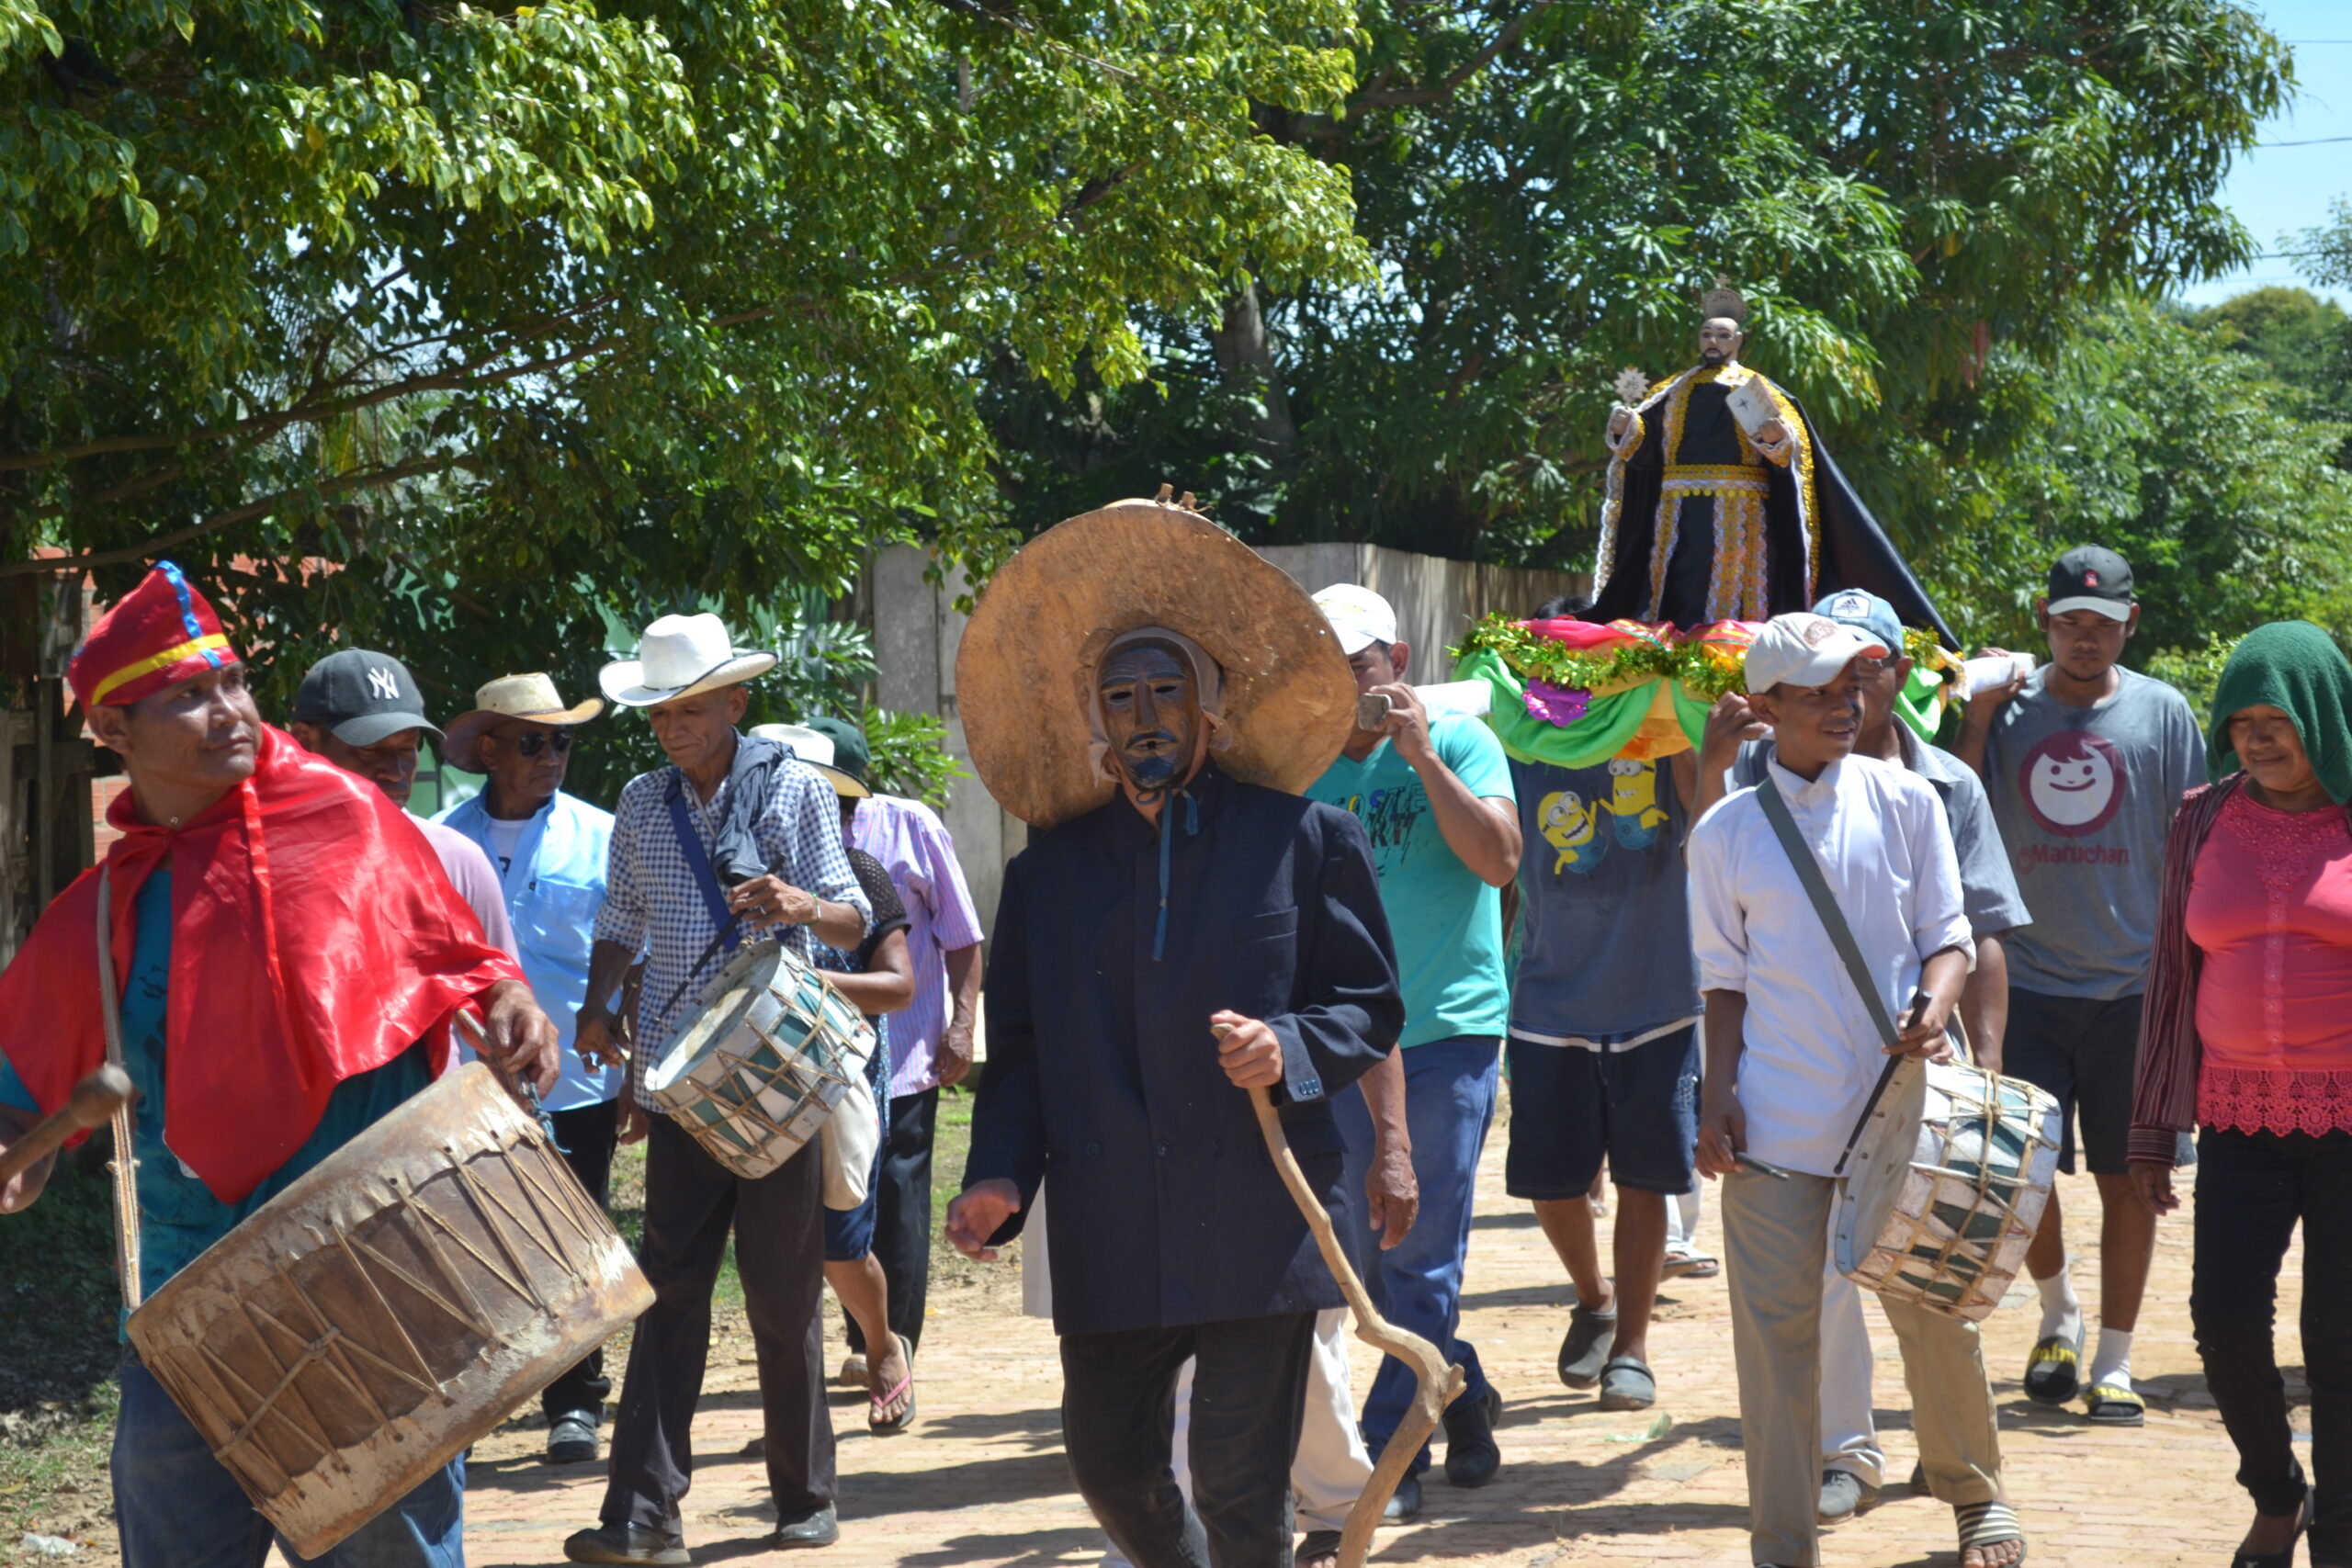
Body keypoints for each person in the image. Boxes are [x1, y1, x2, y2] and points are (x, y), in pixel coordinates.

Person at [0, 562, 559, 1568]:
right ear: (115, 733)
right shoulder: (97, 912)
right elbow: (21, 1110)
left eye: (233, 683)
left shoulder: (352, 825)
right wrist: (18, 1158)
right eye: (188, 696)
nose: (229, 713)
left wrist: (515, 1006)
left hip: (380, 1290)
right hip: (190, 1319)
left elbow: (472, 972)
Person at [945, 500, 1404, 1568]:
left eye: (1166, 692)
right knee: (1108, 1462)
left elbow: (1370, 1006)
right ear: (1094, 723)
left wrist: (1287, 1048)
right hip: (1111, 1223)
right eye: (1122, 697)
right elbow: (1015, 1054)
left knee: (1246, 1489)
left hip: (1260, 1209)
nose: (1145, 714)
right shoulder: (1047, 877)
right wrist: (1000, 1177)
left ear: (1212, 712)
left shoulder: (1304, 839)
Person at [1690, 611, 2025, 1568]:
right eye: (1820, 691)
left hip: (1906, 1113)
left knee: (1935, 1318)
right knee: (1775, 1349)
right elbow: (1721, 978)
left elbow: (1950, 935)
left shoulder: (1907, 798)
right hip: (1775, 1122)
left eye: (1855, 686)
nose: (1845, 705)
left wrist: (1936, 1003)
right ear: (1765, 706)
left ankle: (1975, 1500)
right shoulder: (1723, 834)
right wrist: (1715, 1094)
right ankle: (1782, 1544)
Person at [561, 615, 872, 1564]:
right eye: (659, 711)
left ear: (736, 703)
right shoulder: (642, 802)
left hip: (776, 1076)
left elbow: (852, 921)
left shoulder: (795, 793)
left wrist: (799, 906)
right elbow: (622, 916)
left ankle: (804, 1494)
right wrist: (594, 1004)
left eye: (688, 708)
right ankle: (644, 1514)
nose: (670, 727)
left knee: (781, 1295)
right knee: (669, 1290)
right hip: (678, 1082)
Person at [1955, 545, 2207, 1426]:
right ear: (2044, 619)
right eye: (2069, 622)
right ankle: (2057, 1313)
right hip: (2019, 981)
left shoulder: (2163, 713)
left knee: (2131, 1175)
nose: (2085, 638)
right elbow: (1955, 804)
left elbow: (2197, 844)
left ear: (2130, 623)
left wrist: (2193, 979)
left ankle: (2115, 1359)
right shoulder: (2007, 708)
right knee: (2021, 1174)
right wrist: (1980, 715)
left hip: (2133, 987)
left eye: (2101, 624)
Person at [2130, 622, 2352, 1568]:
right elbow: (2170, 976)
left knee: (2338, 1340)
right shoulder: (2199, 817)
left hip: (2348, 1121)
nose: (2260, 739)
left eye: (2281, 719)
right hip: (2234, 1116)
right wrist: (2148, 1126)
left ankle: (2339, 1539)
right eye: (2243, 722)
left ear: (2325, 716)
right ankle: (2277, 1493)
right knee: (2221, 1320)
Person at [1305, 582, 1519, 1502]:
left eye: (1356, 663)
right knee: (1361, 1261)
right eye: (1324, 664)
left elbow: (1500, 860)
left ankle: (1395, 1453)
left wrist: (1422, 755)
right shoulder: (1297, 767)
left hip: (1449, 1034)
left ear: (1394, 664)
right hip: (1343, 1044)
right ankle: (1455, 1385)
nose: (1343, 682)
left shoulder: (1464, 743)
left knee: (1420, 1249)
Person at [1503, 589, 1703, 1420]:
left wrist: (1684, 707)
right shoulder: (1516, 743)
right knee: (1553, 1185)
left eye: (1599, 659)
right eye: (1563, 662)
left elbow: (1708, 811)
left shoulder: (1663, 734)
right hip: (1548, 995)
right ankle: (1594, 1298)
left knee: (1645, 1180)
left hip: (1658, 994)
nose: (1581, 678)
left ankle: (1632, 1348)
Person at [435, 672, 622, 1465]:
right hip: (462, 1082)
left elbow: (632, 954)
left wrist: (635, 1073)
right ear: (488, 750)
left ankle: (574, 1400)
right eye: (533, 741)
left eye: (562, 740)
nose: (553, 755)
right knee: (469, 1239)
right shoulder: (438, 838)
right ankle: (477, 1402)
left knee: (573, 1236)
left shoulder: (603, 835)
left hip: (574, 1078)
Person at [1589, 280, 1949, 637]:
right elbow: (1645, 456)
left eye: (1723, 335)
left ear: (1739, 341)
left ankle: (1735, 641)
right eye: (1707, 334)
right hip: (1676, 514)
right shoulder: (1670, 390)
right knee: (1678, 579)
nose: (1713, 342)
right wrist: (1627, 431)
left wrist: (1778, 439)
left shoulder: (1764, 392)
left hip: (1741, 511)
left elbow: (1792, 456)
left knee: (1736, 581)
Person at [806, 716, 984, 1391]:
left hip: (905, 1048)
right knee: (836, 1197)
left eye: (844, 796)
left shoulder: (911, 826)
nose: (836, 809)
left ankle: (891, 1342)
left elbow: (963, 934)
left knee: (899, 1192)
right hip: (816, 1062)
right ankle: (862, 1334)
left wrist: (963, 1024)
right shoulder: (787, 834)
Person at [752, 722, 919, 1436]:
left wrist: (803, 983)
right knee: (774, 1242)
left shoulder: (864, 877)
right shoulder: (739, 876)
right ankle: (797, 1409)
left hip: (844, 1074)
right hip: (756, 1079)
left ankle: (882, 1344)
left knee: (839, 1238)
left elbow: (898, 986)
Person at [288, 649, 518, 962]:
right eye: (371, 750)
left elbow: (501, 994)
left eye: (408, 748)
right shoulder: (266, 861)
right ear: (304, 741)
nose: (396, 770)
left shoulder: (458, 864)